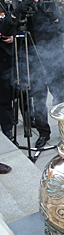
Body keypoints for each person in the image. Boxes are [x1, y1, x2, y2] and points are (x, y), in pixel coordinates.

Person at [1, 0, 64, 148]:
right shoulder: (18, 9)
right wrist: (17, 13)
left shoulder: (48, 6)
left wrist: (55, 17)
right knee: (39, 102)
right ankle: (43, 133)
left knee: (61, 100)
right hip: (32, 63)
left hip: (55, 62)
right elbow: (6, 30)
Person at [0, 11, 14, 140]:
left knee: (5, 99)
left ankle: (7, 128)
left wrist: (14, 38)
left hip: (8, 63)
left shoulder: (11, 14)